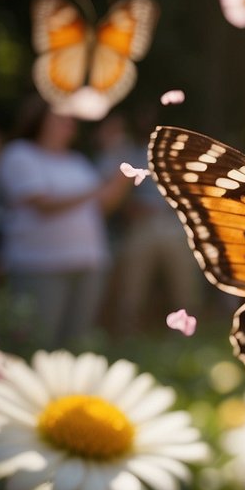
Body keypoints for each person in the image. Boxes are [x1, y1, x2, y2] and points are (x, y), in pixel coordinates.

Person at [0, 100, 128, 348]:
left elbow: (103, 206)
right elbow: (43, 204)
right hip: (40, 264)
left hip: (88, 263)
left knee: (75, 343)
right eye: (61, 119)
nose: (69, 124)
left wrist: (121, 175)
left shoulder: (77, 161)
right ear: (40, 120)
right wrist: (96, 188)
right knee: (37, 341)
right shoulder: (20, 154)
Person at [95, 111, 201, 336]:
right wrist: (130, 209)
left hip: (173, 224)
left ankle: (185, 334)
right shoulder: (127, 153)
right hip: (141, 225)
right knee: (133, 286)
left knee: (184, 282)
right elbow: (111, 193)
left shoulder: (175, 154)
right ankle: (128, 333)